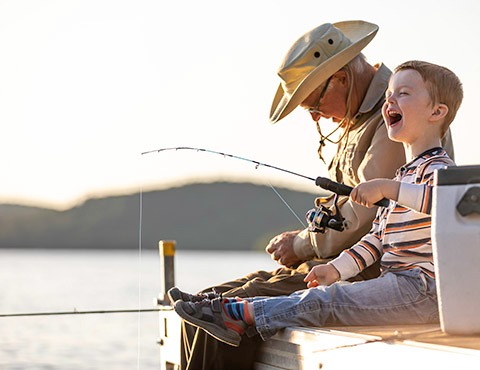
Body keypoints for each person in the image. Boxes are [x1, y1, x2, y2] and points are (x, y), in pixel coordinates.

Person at [169, 21, 454, 369]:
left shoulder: (403, 128)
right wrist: (327, 263)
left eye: (313, 104)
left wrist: (303, 245)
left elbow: (371, 217)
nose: (316, 116)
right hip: (342, 264)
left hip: (382, 280)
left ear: (341, 78)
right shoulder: (382, 119)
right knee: (206, 304)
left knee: (232, 310)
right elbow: (376, 231)